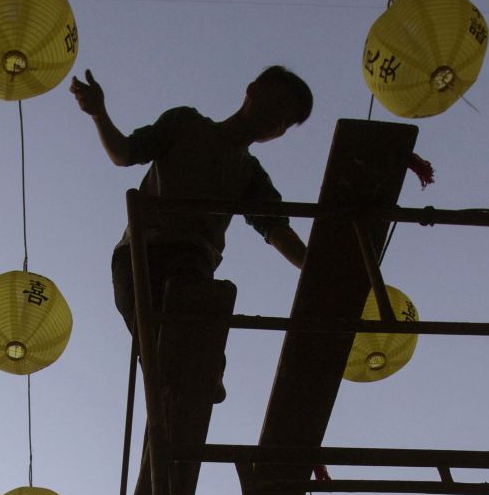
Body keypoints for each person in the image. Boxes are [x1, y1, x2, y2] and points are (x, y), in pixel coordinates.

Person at [70, 66, 313, 399]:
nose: (278, 122)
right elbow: (124, 153)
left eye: (286, 122)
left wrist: (314, 268)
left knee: (190, 312)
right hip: (139, 254)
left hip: (191, 257)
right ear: (253, 90)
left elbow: (276, 229)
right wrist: (99, 113)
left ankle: (204, 373)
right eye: (279, 106)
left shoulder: (250, 173)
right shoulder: (185, 124)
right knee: (154, 350)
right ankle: (180, 392)